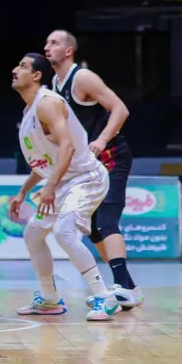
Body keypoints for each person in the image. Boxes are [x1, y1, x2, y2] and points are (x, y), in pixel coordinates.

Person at [9, 52, 119, 322]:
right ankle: (49, 300)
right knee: (33, 235)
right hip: (64, 181)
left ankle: (105, 297)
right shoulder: (29, 111)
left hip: (86, 177)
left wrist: (50, 187)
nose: (14, 70)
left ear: (36, 75)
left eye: (22, 66)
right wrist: (23, 191)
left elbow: (68, 147)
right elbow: (45, 161)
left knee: (64, 233)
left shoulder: (48, 103)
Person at [44, 30, 144, 309]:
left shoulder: (82, 78)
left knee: (106, 221)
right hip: (88, 164)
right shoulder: (54, 84)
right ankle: (130, 287)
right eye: (47, 42)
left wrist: (101, 140)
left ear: (68, 51)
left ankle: (122, 287)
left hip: (111, 156)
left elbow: (120, 109)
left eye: (54, 42)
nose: (47, 46)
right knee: (94, 229)